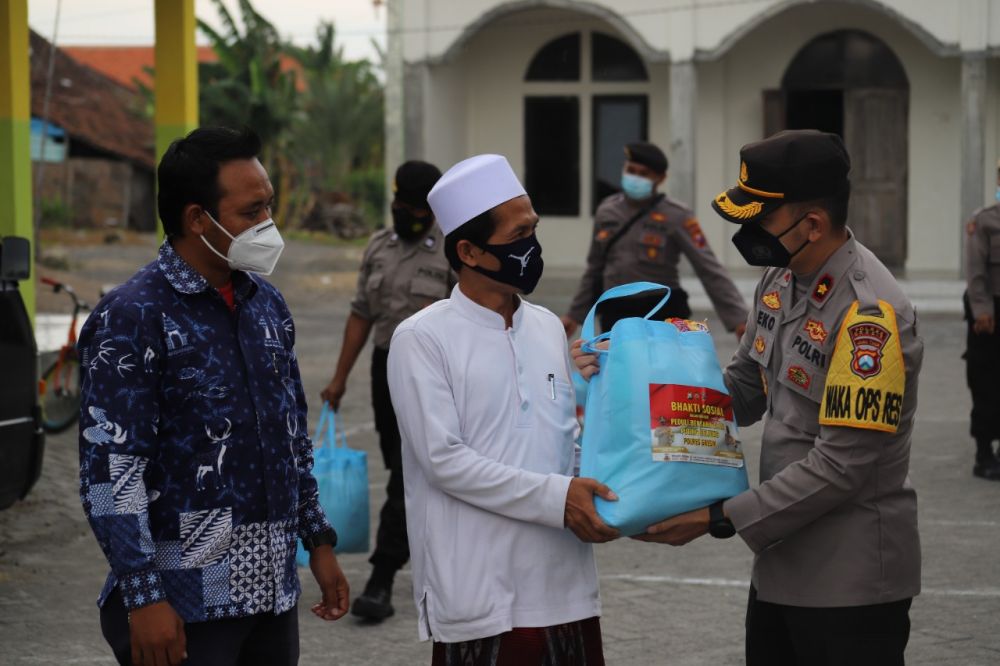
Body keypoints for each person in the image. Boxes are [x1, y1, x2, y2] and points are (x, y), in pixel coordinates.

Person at [573, 130, 923, 666]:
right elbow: (741, 392)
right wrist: (638, 370)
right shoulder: (780, 278)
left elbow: (840, 467)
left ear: (813, 224)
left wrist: (719, 516)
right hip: (781, 567)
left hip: (849, 582)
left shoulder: (869, 317)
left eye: (760, 220)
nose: (746, 231)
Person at [78, 127, 349, 666]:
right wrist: (144, 596)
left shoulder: (267, 305)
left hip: (271, 593)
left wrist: (317, 540)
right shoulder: (133, 315)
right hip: (183, 601)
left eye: (270, 207)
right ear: (197, 219)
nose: (268, 225)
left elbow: (292, 436)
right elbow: (112, 472)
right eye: (252, 212)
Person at [387, 154, 619, 664]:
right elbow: (444, 461)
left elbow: (566, 444)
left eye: (532, 229)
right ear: (468, 250)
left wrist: (620, 488)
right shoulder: (422, 339)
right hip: (480, 595)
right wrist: (561, 497)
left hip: (566, 590)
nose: (531, 247)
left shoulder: (547, 329)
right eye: (519, 234)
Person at [320, 160, 452, 620]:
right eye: (400, 206)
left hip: (438, 377)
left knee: (407, 471)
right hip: (385, 370)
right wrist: (339, 378)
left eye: (416, 209)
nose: (406, 215)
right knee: (401, 465)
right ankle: (431, 559)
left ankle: (382, 575)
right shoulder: (379, 246)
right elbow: (362, 314)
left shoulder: (454, 250)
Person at [561, 141, 748, 339]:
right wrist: (574, 315)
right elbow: (594, 269)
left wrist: (739, 320)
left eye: (643, 174)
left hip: (661, 310)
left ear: (660, 178)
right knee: (618, 368)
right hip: (615, 311)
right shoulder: (607, 211)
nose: (635, 177)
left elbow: (709, 268)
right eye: (631, 170)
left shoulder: (678, 215)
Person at [963, 159, 1000, 481]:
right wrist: (982, 310)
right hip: (991, 312)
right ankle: (984, 453)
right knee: (987, 382)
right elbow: (976, 272)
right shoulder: (985, 221)